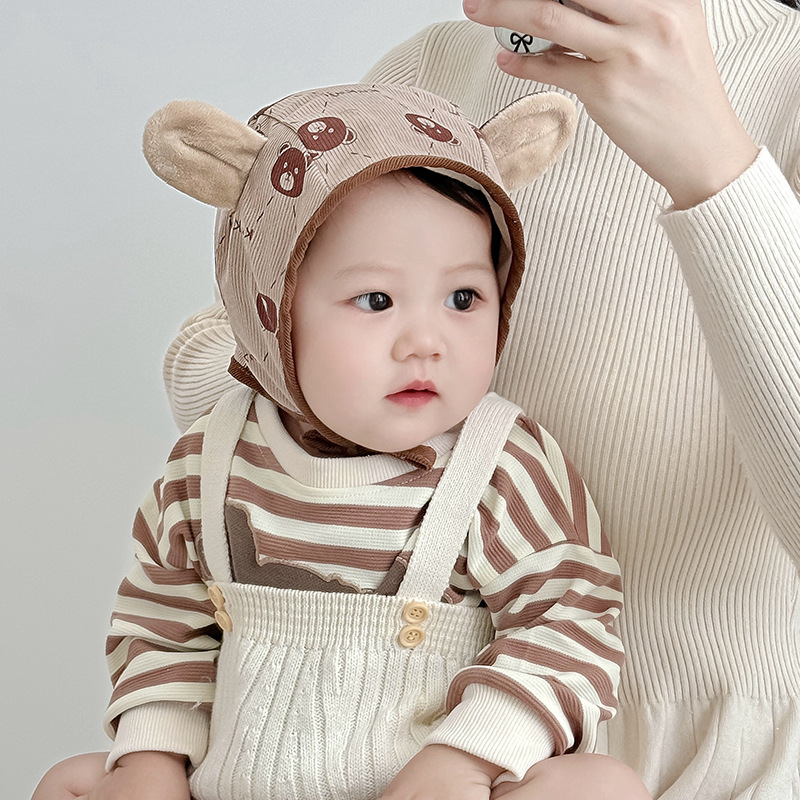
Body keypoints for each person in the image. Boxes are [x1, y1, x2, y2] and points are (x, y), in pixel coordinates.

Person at [149, 0, 800, 797]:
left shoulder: (786, 71)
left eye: (466, 299)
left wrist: (715, 166)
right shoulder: (434, 70)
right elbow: (230, 361)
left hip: (716, 760)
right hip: (387, 737)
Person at [31, 84, 652, 800]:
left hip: (427, 783)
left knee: (601, 786)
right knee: (72, 783)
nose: (426, 342)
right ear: (272, 314)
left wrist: (467, 759)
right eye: (377, 301)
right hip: (240, 781)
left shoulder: (501, 465)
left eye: (464, 299)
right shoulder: (210, 463)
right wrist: (151, 762)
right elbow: (163, 627)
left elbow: (568, 622)